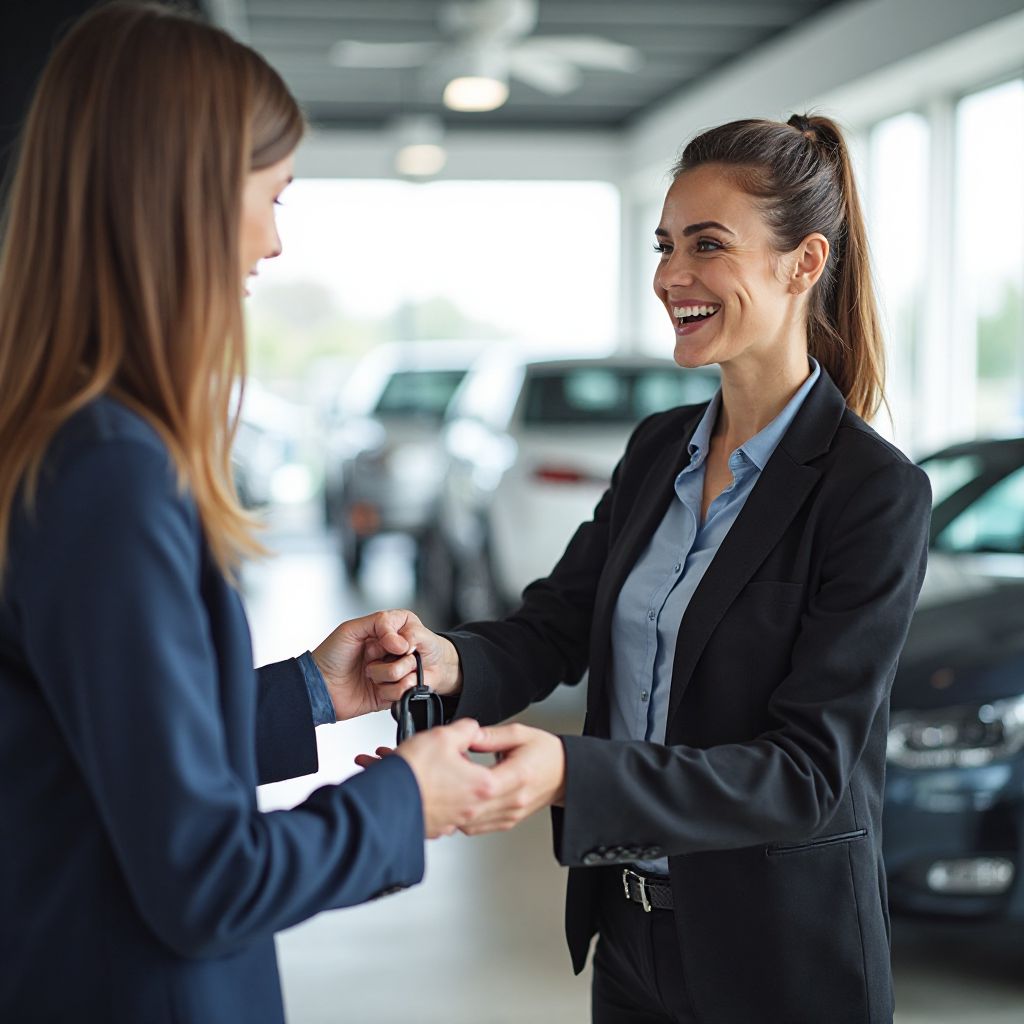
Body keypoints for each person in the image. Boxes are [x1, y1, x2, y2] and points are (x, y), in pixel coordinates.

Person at [354, 115, 932, 1023]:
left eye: (709, 245)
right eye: (666, 245)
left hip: (779, 963)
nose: (671, 276)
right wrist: (443, 660)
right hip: (629, 941)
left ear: (804, 262)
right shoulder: (659, 448)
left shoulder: (873, 492)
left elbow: (807, 774)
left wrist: (571, 774)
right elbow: (557, 623)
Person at [0, 5, 500, 1023]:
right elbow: (205, 879)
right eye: (272, 195)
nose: (274, 242)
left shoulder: (62, 439)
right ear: (177, 194)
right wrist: (409, 795)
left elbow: (99, 743)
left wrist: (312, 691)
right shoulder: (109, 474)